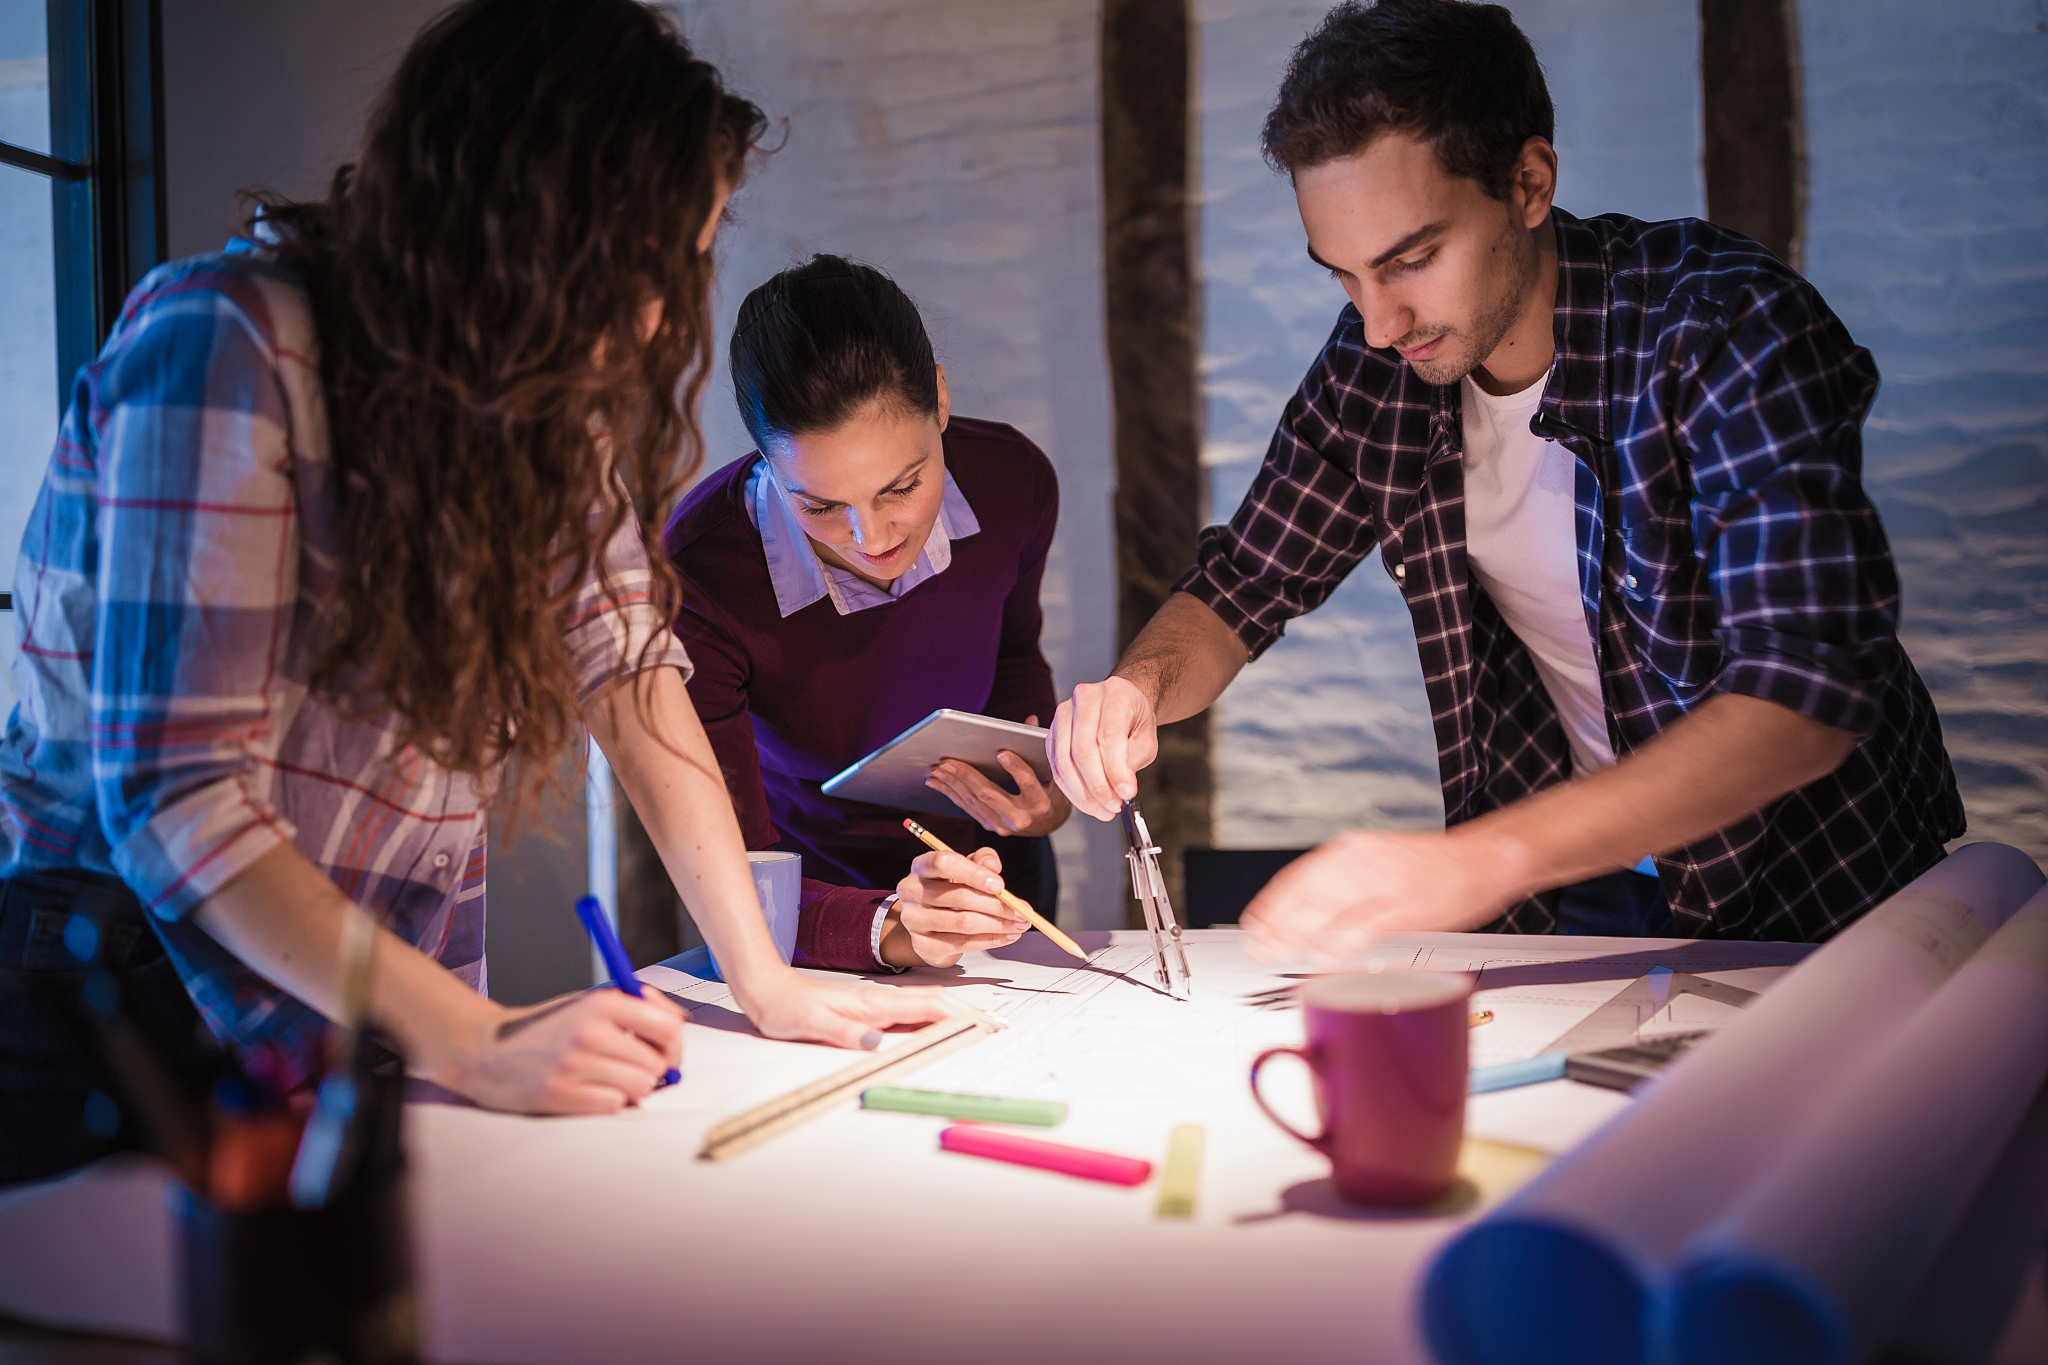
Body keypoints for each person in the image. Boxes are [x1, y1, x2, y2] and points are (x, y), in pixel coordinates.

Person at [0, 0, 961, 1187]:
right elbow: (178, 799)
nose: (664, 312)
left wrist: (760, 974)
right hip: (124, 981)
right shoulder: (230, 344)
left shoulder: (536, 407)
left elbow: (628, 669)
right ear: (531, 220)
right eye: (654, 258)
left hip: (362, 980)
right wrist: (475, 1039)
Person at [1049, 0, 1962, 955]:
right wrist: (1136, 689)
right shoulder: (1375, 370)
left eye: (1412, 260)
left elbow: (1808, 687)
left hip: (1818, 881)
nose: (1379, 324)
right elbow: (1243, 583)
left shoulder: (1719, 323)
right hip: (1583, 884)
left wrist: (1480, 861)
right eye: (1344, 276)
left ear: (1528, 183)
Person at [665, 256, 1069, 972]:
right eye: (820, 505)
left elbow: (1012, 654)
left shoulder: (1014, 481)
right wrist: (892, 927)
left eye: (902, 487)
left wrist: (1040, 794)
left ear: (939, 398)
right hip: (810, 903)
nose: (873, 538)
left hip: (991, 880)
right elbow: (731, 868)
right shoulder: (701, 571)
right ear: (764, 458)